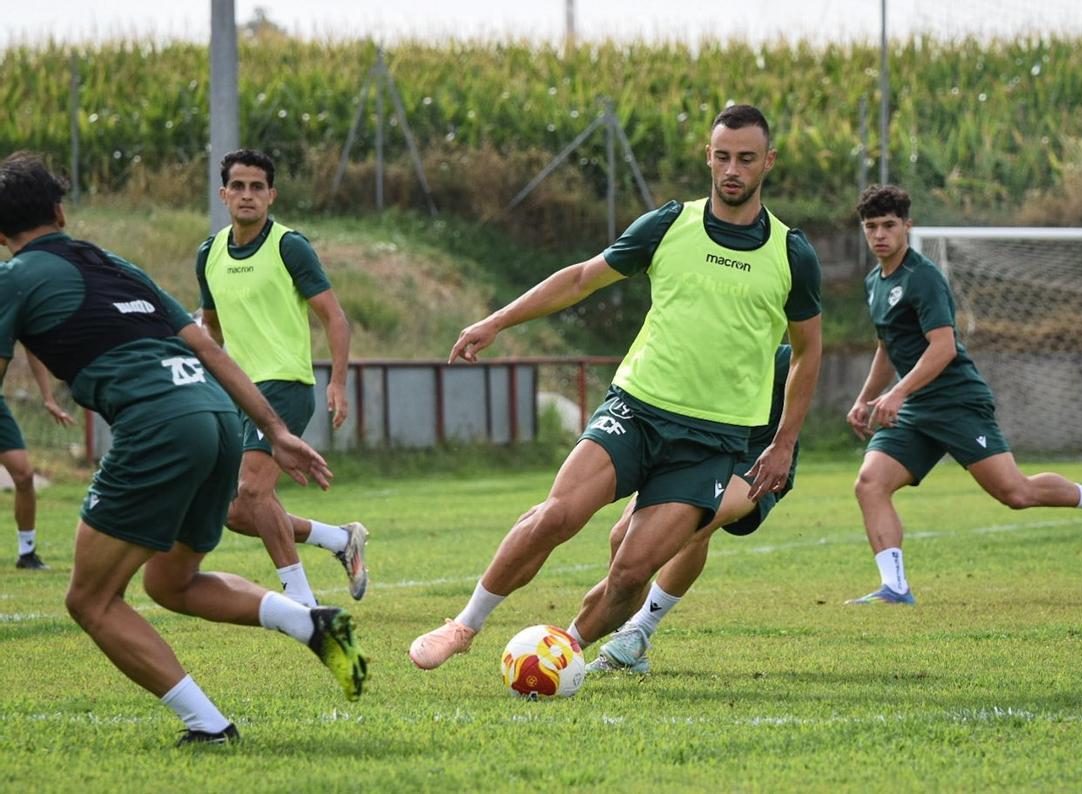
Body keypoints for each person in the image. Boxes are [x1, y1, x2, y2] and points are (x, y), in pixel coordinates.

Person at [409, 105, 823, 670]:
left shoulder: (791, 253)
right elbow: (581, 278)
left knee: (629, 571)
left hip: (711, 441)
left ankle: (562, 653)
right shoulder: (668, 224)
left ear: (767, 162)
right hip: (637, 408)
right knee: (558, 514)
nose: (733, 169)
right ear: (708, 155)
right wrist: (497, 321)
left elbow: (806, 352)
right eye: (722, 156)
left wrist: (784, 443)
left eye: (746, 159)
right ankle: (464, 624)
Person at [0, 152, 367, 746]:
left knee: (90, 598)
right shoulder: (116, 265)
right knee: (171, 582)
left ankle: (210, 726)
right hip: (217, 413)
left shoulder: (11, 280)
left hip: (158, 425)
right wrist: (274, 429)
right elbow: (212, 350)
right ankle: (310, 622)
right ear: (61, 212)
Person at [845, 184, 1082, 605]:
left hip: (955, 401)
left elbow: (943, 347)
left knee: (1016, 494)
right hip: (916, 407)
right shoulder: (874, 282)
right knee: (870, 483)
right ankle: (895, 587)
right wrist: (865, 399)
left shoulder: (924, 278)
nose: (879, 234)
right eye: (871, 226)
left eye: (888, 225)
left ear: (906, 227)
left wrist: (895, 394)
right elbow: (887, 346)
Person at [197, 148, 367, 607]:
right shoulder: (208, 254)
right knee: (233, 512)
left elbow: (335, 317)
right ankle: (339, 539)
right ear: (223, 194)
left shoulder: (289, 246)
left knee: (252, 490)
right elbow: (210, 327)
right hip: (238, 391)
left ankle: (303, 602)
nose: (247, 195)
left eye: (257, 187)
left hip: (285, 385)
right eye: (238, 186)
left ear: (271, 195)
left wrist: (337, 382)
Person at [582, 344, 800, 674]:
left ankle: (640, 628)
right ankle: (626, 636)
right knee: (620, 536)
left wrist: (782, 446)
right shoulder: (697, 343)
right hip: (705, 448)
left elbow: (806, 375)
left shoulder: (781, 357)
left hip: (755, 459)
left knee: (696, 523)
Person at [6, 347, 74, 569]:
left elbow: (33, 351)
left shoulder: (12, 311)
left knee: (24, 475)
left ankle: (27, 553)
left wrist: (48, 397)